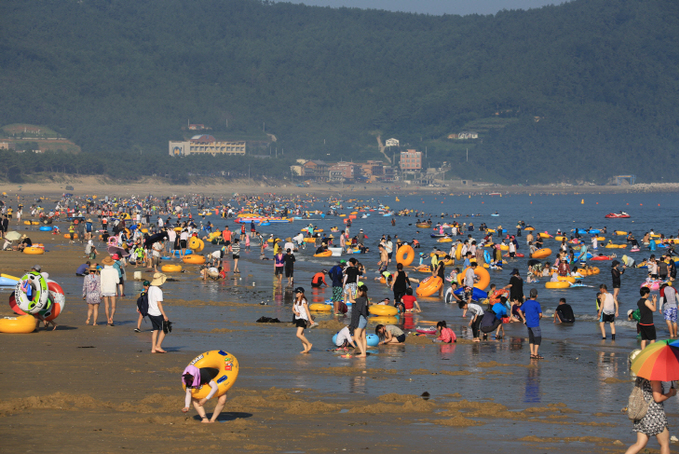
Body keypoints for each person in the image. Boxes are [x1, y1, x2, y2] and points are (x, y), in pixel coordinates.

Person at [624, 378, 675, 454]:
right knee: (664, 444)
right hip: (655, 414)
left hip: (641, 413)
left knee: (639, 444)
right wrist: (671, 393)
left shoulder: (641, 378)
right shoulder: (655, 380)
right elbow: (657, 398)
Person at [148, 272, 169, 353]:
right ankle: (158, 346)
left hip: (150, 312)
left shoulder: (150, 288)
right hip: (156, 313)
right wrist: (164, 315)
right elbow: (159, 304)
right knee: (165, 328)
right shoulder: (158, 290)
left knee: (155, 329)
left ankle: (153, 348)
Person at [519, 288, 543, 359]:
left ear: (529, 295)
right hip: (535, 323)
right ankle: (535, 353)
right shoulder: (537, 304)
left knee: (531, 338)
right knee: (538, 338)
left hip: (528, 323)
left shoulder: (526, 303)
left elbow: (520, 311)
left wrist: (523, 319)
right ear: (537, 296)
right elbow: (540, 314)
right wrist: (539, 318)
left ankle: (532, 353)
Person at [348, 284, 370, 358]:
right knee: (363, 337)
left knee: (357, 337)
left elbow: (351, 300)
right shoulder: (365, 299)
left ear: (361, 292)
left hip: (360, 319)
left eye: (359, 291)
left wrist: (350, 292)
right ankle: (364, 352)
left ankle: (363, 353)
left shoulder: (361, 299)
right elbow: (356, 300)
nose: (358, 292)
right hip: (364, 319)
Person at [292, 287, 313, 354]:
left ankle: (309, 344)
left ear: (301, 293)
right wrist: (295, 312)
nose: (296, 294)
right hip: (297, 319)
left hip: (303, 319)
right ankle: (305, 349)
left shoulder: (304, 301)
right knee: (302, 334)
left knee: (298, 334)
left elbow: (307, 311)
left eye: (297, 293)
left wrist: (310, 320)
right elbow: (293, 309)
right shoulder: (295, 300)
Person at [100, 256, 119, 326]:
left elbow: (101, 282)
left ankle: (108, 320)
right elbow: (117, 281)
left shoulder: (102, 271)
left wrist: (101, 292)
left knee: (106, 306)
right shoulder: (115, 271)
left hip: (105, 290)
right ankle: (112, 317)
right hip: (112, 289)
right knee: (113, 306)